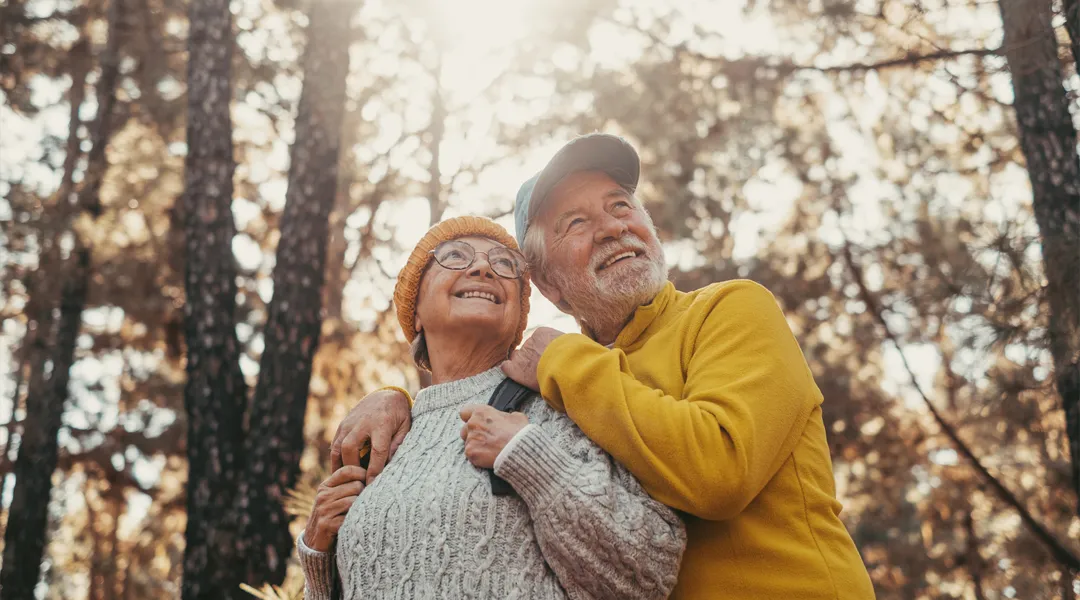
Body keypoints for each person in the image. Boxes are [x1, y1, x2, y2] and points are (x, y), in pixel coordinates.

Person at [333, 134, 878, 599]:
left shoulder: (729, 310)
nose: (613, 227)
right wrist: (397, 398)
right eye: (575, 222)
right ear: (546, 285)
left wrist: (565, 361)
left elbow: (720, 471)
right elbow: (461, 394)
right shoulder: (552, 386)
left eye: (621, 206)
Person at [297, 215, 686, 600]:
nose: (483, 267)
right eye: (454, 256)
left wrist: (532, 458)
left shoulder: (557, 409)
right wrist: (317, 564)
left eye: (505, 265)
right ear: (414, 310)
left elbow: (649, 574)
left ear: (519, 315)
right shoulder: (381, 438)